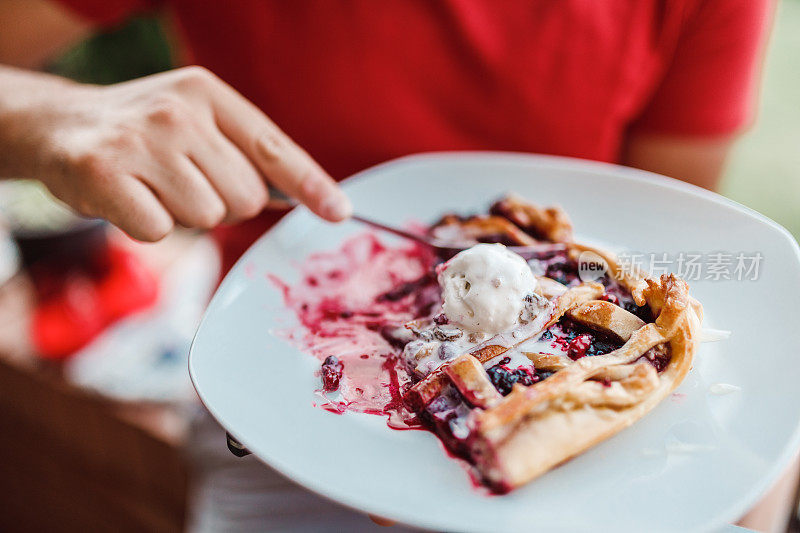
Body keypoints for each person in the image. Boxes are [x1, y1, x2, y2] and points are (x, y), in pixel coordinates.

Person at [0, 0, 776, 530]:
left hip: (585, 481)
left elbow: (668, 232)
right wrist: (44, 116)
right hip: (269, 419)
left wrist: (742, 467)